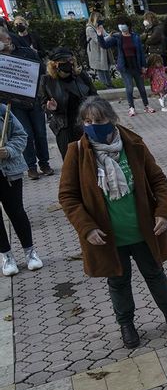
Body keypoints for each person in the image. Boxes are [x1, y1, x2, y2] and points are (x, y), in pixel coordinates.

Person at [58, 96, 167, 350]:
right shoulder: (77, 152)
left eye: (100, 120)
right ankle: (126, 324)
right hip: (109, 237)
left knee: (155, 274)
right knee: (118, 282)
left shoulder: (133, 144)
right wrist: (87, 227)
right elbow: (68, 196)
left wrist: (163, 213)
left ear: (112, 120)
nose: (94, 125)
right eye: (88, 121)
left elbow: (158, 180)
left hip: (144, 231)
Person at [0, 28, 52, 180]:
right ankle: (31, 166)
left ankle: (44, 163)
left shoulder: (26, 53)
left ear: (8, 40)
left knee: (40, 133)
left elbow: (41, 72)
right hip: (13, 104)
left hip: (33, 100)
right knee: (26, 134)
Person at [0, 100, 42, 276]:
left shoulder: (3, 110)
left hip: (9, 171)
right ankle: (6, 256)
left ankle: (30, 252)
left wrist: (8, 150)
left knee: (16, 211)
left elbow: (21, 135)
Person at [42, 48, 97, 159]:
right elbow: (43, 103)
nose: (68, 63)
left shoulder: (81, 76)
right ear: (55, 64)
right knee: (70, 161)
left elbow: (95, 96)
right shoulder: (47, 81)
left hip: (84, 123)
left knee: (89, 158)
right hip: (63, 126)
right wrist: (51, 108)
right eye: (64, 61)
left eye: (70, 60)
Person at [96, 16, 156, 116]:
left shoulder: (135, 37)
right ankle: (131, 107)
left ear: (128, 26)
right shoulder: (117, 37)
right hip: (125, 67)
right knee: (129, 88)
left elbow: (140, 52)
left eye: (123, 24)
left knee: (141, 87)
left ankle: (146, 106)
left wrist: (143, 66)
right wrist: (100, 35)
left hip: (136, 65)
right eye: (119, 24)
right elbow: (105, 45)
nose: (121, 26)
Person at [85, 13, 112, 87]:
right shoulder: (89, 29)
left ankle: (109, 84)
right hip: (96, 52)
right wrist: (110, 36)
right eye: (99, 19)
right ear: (95, 20)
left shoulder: (100, 26)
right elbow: (98, 40)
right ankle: (106, 85)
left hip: (103, 50)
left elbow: (105, 35)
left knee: (106, 67)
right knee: (100, 68)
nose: (101, 21)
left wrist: (109, 36)